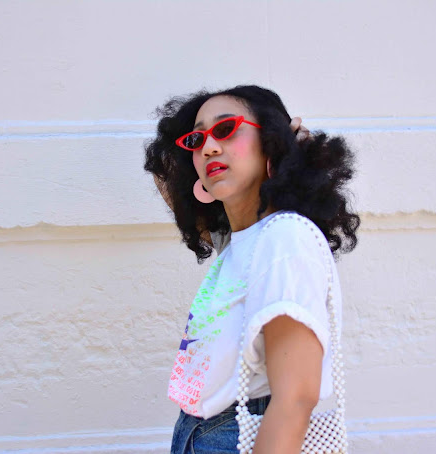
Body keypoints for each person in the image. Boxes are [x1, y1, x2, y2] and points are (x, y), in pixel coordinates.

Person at [144, 85, 360, 453]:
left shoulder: (284, 238)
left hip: (237, 437)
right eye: (197, 139)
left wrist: (290, 151)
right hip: (198, 434)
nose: (208, 147)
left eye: (226, 129)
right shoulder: (239, 241)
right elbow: (165, 170)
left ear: (271, 143)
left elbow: (295, 398)